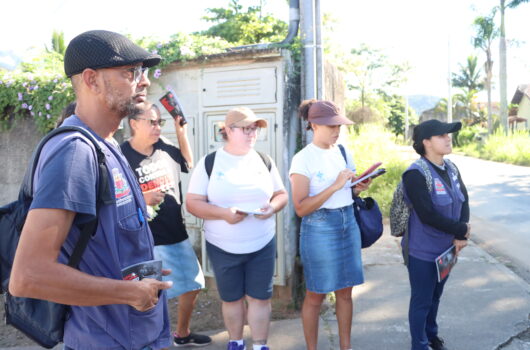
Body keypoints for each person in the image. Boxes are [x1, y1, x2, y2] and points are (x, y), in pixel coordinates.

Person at [9, 30, 172, 350]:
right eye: (131, 72)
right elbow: (28, 276)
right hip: (106, 340)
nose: (144, 81)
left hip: (133, 335)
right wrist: (130, 293)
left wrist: (138, 271)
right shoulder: (74, 152)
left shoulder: (106, 145)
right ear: (91, 80)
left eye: (144, 72)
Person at [186, 107, 288, 350]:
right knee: (231, 298)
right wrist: (223, 214)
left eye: (255, 129)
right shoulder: (209, 162)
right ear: (229, 131)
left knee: (260, 298)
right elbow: (192, 203)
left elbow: (282, 194)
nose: (252, 133)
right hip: (223, 246)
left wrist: (272, 208)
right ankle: (236, 342)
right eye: (246, 128)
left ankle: (260, 345)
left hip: (261, 243)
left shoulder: (264, 160)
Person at [121, 103, 212, 347]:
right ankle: (148, 341)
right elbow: (115, 199)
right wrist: (143, 198)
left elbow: (187, 163)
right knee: (150, 296)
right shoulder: (121, 156)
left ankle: (181, 333)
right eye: (152, 122)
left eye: (159, 122)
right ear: (134, 123)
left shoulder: (164, 147)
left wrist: (180, 131)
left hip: (176, 232)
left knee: (193, 284)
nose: (157, 127)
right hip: (145, 239)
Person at [289, 99, 370, 350]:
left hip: (348, 222)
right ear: (313, 125)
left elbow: (347, 193)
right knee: (317, 294)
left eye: (338, 125)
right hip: (320, 227)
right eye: (330, 126)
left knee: (346, 292)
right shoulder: (303, 159)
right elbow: (301, 207)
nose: (336, 131)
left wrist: (357, 188)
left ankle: (346, 347)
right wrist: (334, 185)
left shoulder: (343, 152)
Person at [403, 119, 470, 350]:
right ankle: (419, 345)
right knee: (421, 301)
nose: (448, 138)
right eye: (441, 135)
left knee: (435, 297)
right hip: (422, 251)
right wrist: (461, 229)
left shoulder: (451, 167)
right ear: (426, 142)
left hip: (448, 250)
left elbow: (464, 199)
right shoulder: (415, 174)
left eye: (448, 134)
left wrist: (461, 234)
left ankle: (431, 336)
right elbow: (427, 214)